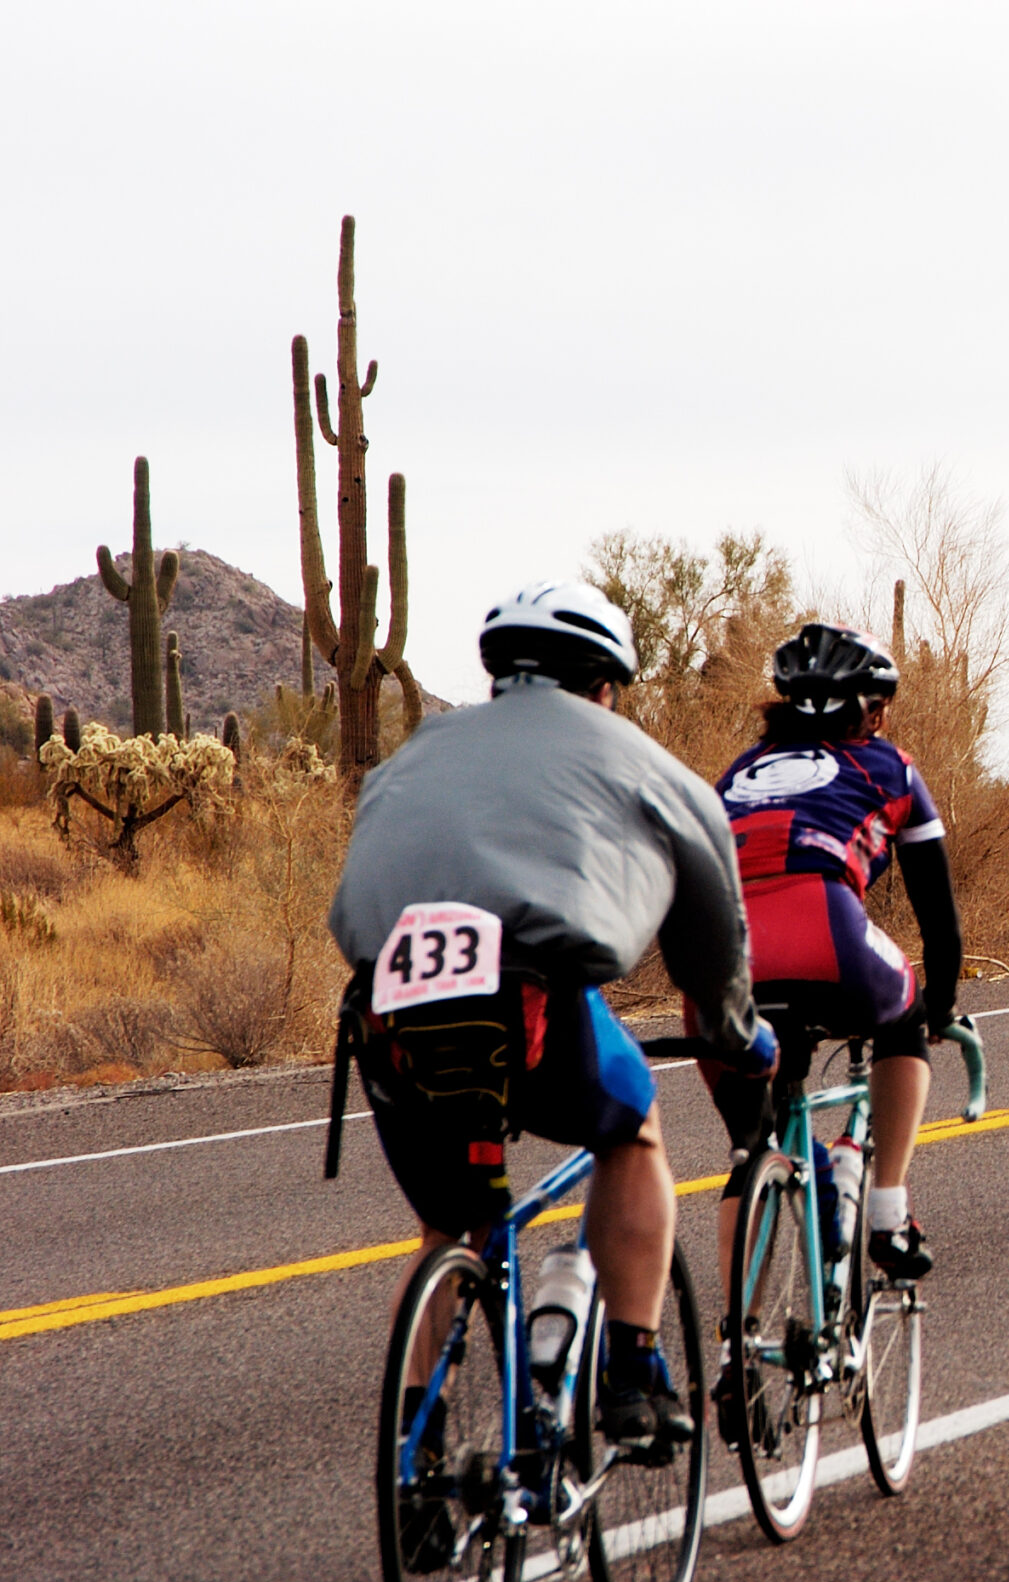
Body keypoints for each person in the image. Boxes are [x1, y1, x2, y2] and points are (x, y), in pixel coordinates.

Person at [330, 580, 777, 1459]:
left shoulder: (415, 752)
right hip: (529, 997)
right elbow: (714, 938)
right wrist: (733, 1036)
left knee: (445, 1231)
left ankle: (415, 1461)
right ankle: (633, 1373)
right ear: (606, 686)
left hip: (388, 1003)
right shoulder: (641, 761)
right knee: (633, 1128)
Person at [691, 623, 961, 1409]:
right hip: (824, 931)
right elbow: (939, 921)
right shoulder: (891, 766)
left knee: (755, 1148)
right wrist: (940, 1005)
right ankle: (885, 1210)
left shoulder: (736, 774)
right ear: (867, 710)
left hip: (718, 961)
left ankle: (739, 1345)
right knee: (904, 1011)